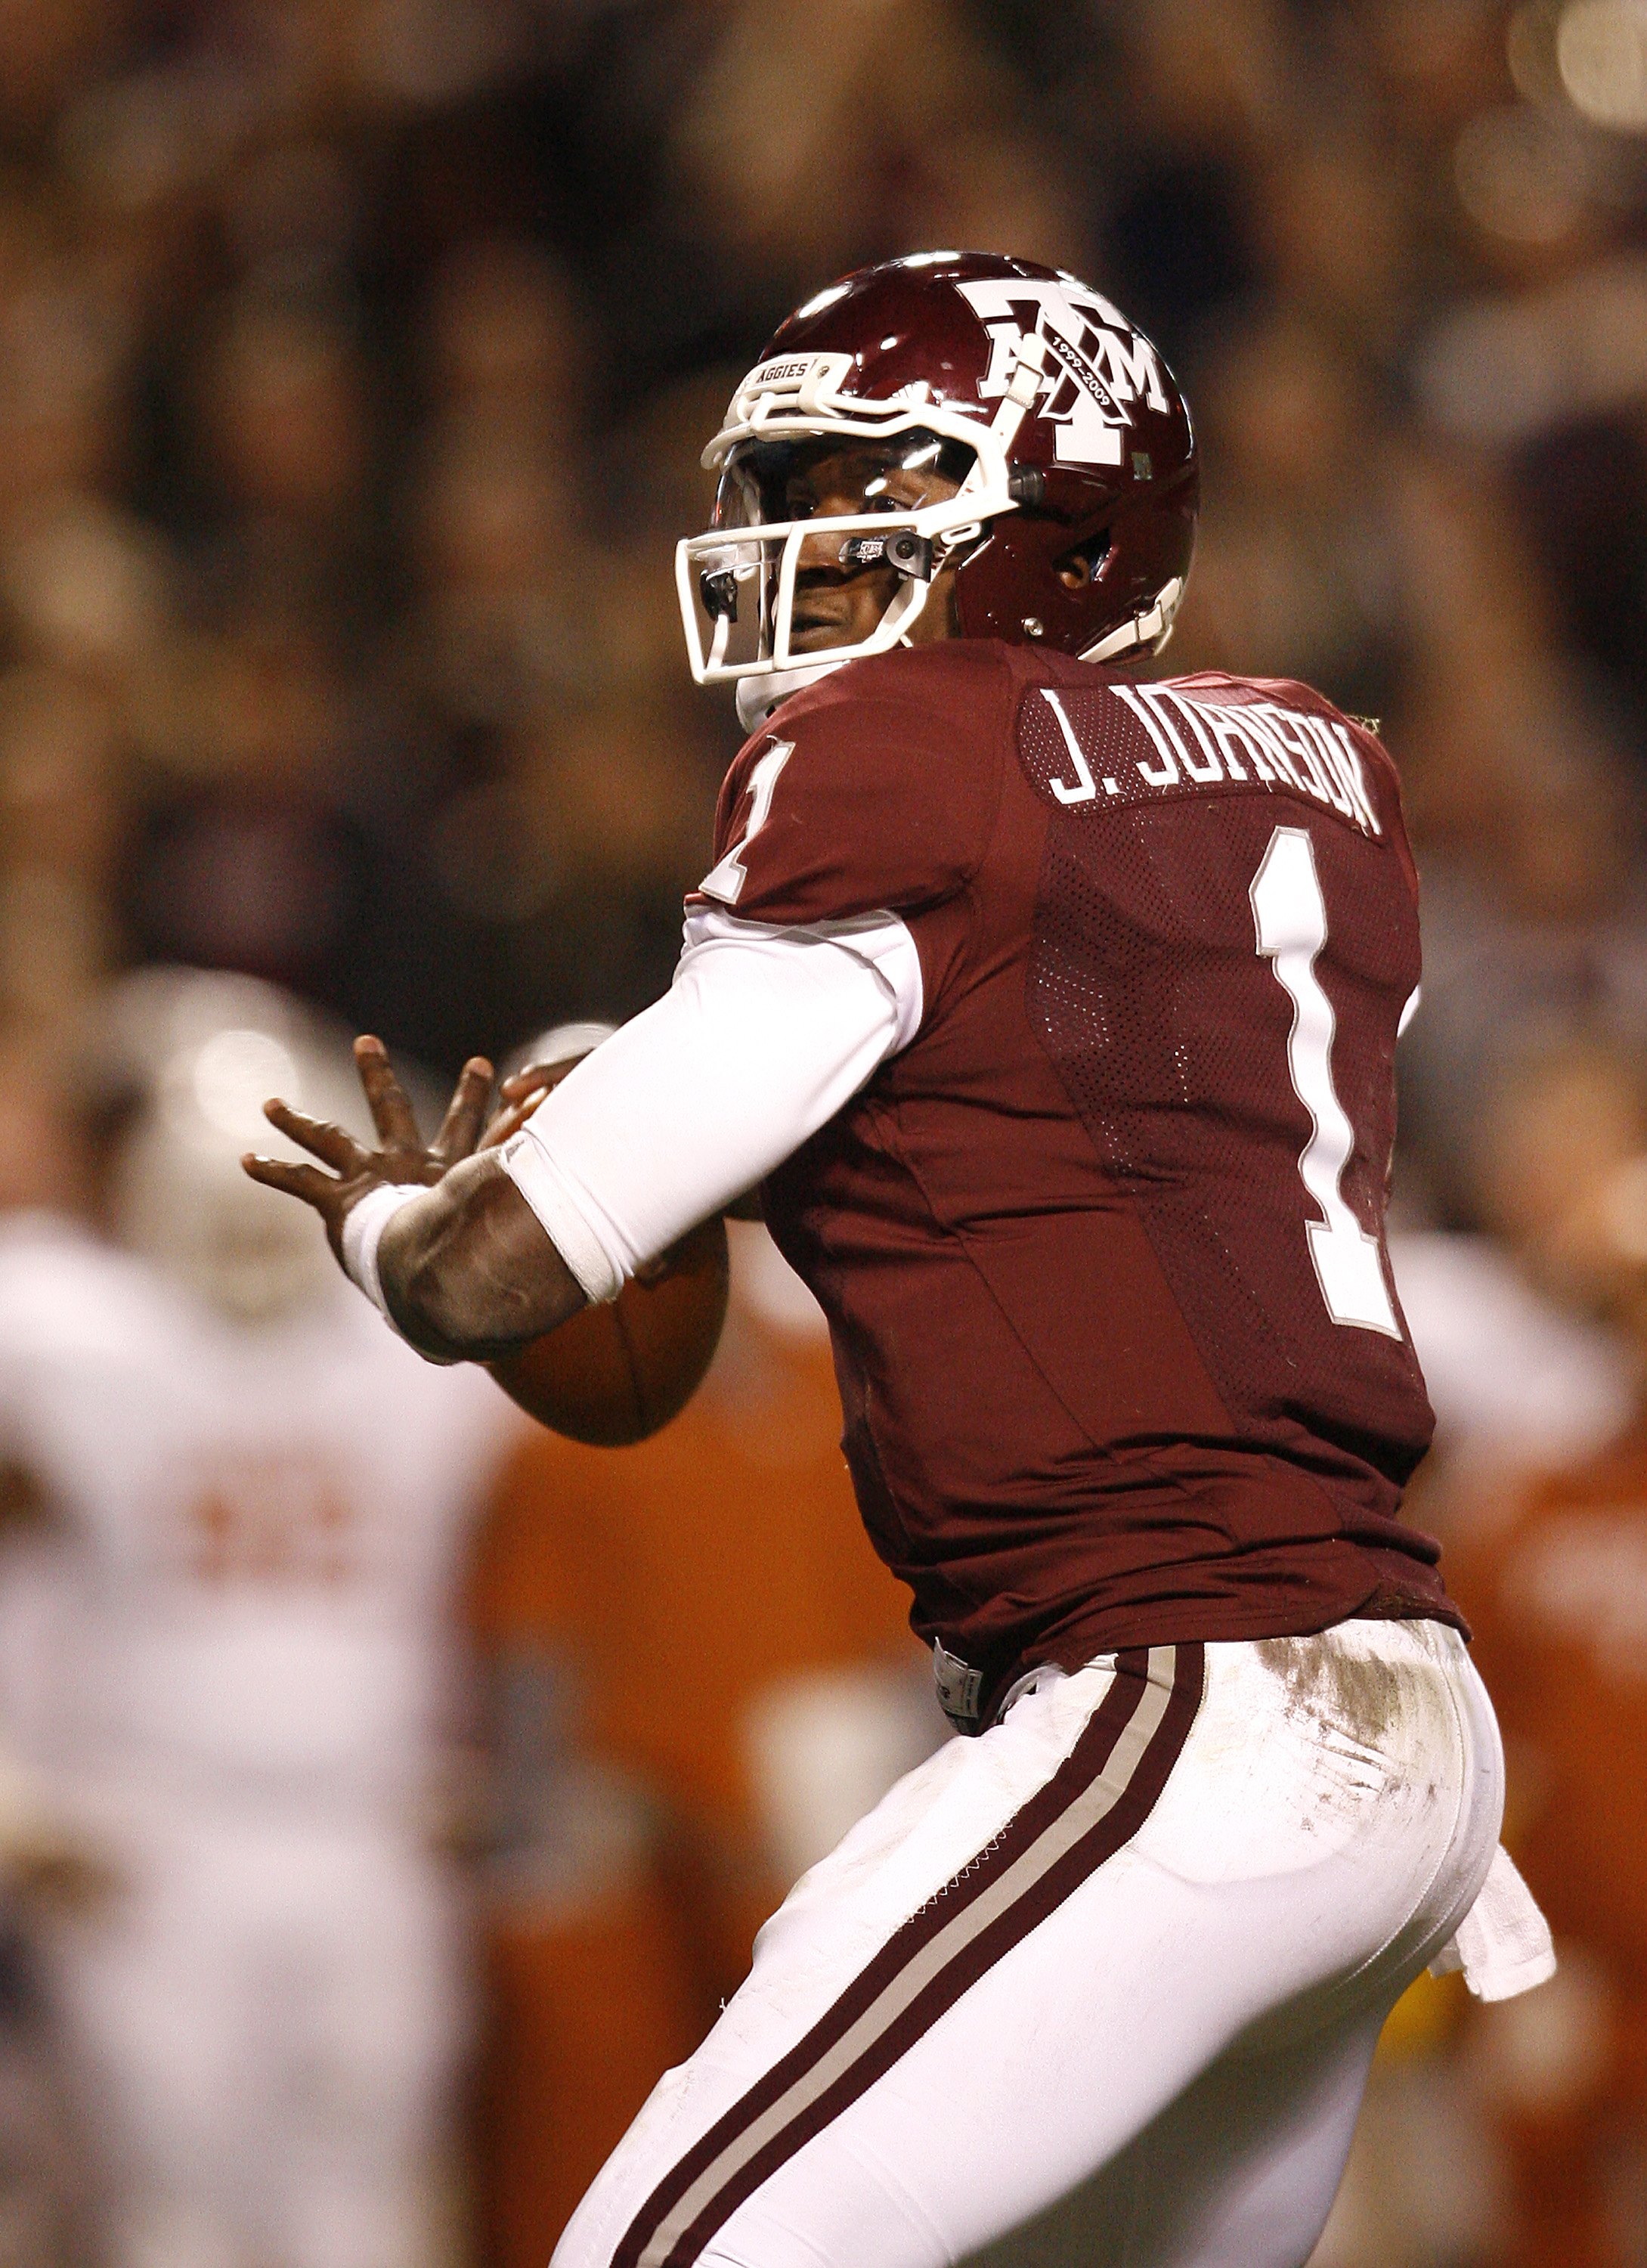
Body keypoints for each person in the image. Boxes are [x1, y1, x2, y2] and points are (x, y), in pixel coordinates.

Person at [246, 253, 1554, 2268]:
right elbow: (1044, 1125)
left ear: (1049, 513)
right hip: (1396, 1732)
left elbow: (481, 1285)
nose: (783, 550)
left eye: (846, 491)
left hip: (1177, 1708)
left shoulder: (889, 764)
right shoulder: (1310, 768)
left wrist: (385, 1216)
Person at [0, 970, 520, 2268]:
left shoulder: (419, 1359)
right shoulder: (69, 1335)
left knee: (371, 2199)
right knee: (171, 2208)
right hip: (151, 1838)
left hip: (374, 1826)